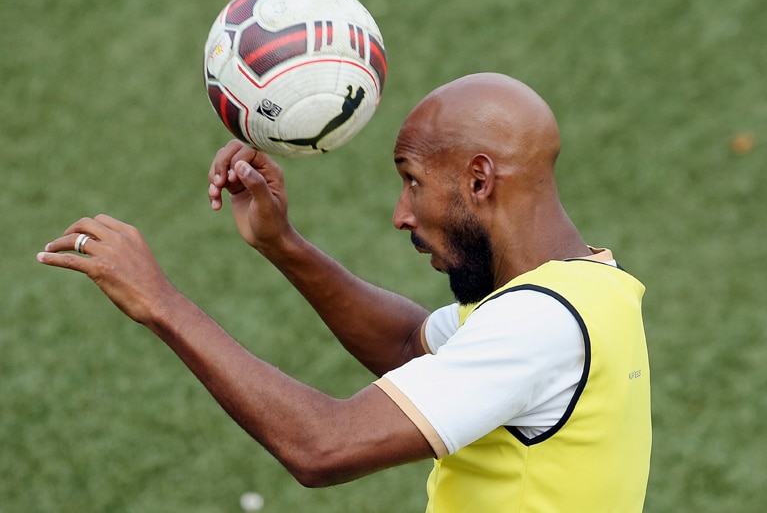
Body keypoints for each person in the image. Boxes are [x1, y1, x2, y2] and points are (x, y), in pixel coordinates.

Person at [37, 73, 651, 512]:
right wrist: (285, 244)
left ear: (479, 180)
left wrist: (162, 305)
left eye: (413, 182)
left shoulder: (537, 326)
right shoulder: (591, 287)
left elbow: (322, 447)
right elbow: (413, 346)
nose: (401, 213)